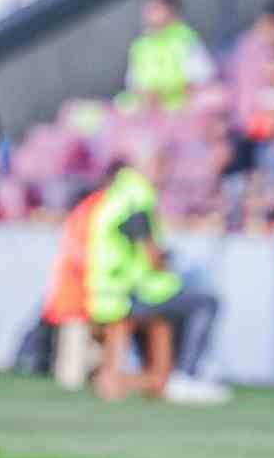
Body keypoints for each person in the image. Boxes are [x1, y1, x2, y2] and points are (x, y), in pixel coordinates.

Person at [85, 157, 232, 405]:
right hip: (127, 295)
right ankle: (186, 375)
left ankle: (163, 375)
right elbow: (151, 256)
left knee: (179, 299)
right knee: (206, 303)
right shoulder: (137, 198)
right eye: (162, 167)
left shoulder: (116, 196)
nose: (166, 175)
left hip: (105, 295)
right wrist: (167, 259)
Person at [123, 0, 214, 112]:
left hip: (183, 103)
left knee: (213, 98)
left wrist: (169, 95)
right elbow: (133, 84)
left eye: (156, 9)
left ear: (171, 12)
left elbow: (202, 77)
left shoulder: (184, 38)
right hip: (148, 107)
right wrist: (147, 96)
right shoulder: (140, 46)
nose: (149, 15)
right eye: (148, 10)